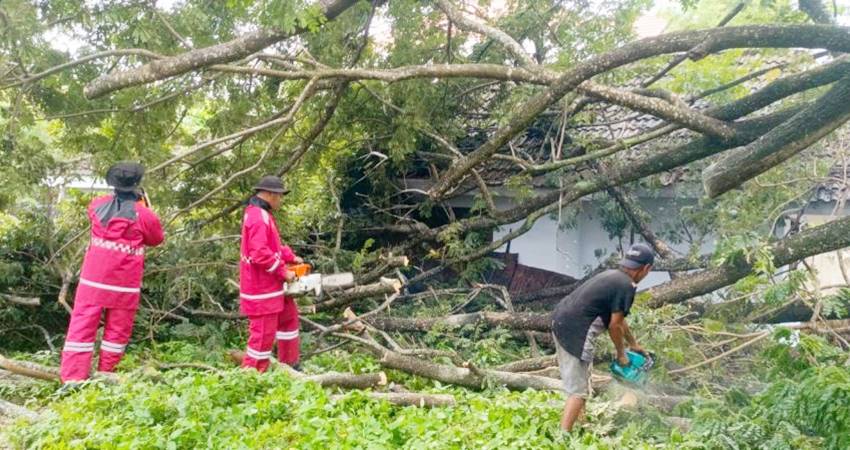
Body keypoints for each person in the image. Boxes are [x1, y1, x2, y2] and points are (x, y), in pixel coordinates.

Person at [60, 162, 164, 384]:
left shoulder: (96, 205)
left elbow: (105, 217)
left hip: (92, 282)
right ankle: (107, 376)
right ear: (137, 185)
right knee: (116, 333)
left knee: (80, 329)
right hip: (123, 284)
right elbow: (156, 239)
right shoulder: (144, 214)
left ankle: (72, 378)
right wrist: (144, 205)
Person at [551, 243, 655, 432]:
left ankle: (581, 424)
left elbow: (620, 320)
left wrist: (633, 344)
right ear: (646, 268)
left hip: (562, 322)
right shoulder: (626, 286)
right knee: (578, 392)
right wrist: (621, 354)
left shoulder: (613, 277)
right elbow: (614, 325)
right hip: (576, 331)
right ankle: (563, 437)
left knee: (582, 381)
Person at [239, 175, 304, 371]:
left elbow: (272, 246)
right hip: (262, 288)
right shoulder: (258, 217)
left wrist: (292, 257)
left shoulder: (261, 214)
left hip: (271, 285)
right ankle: (252, 374)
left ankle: (290, 364)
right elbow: (260, 253)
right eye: (280, 196)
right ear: (269, 194)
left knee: (289, 318)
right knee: (263, 335)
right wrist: (284, 271)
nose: (281, 200)